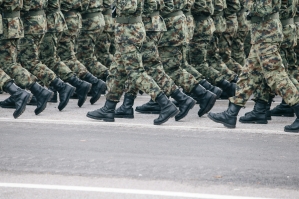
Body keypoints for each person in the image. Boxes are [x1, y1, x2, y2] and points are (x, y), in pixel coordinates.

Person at [208, 0, 299, 133]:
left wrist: (248, 4)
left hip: (266, 31)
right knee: (248, 74)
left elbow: (263, 9)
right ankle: (231, 113)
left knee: (275, 75)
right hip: (262, 32)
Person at [86, 0, 180, 125]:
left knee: (135, 72)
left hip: (129, 31)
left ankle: (165, 104)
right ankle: (109, 108)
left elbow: (129, 7)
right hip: (126, 29)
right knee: (117, 71)